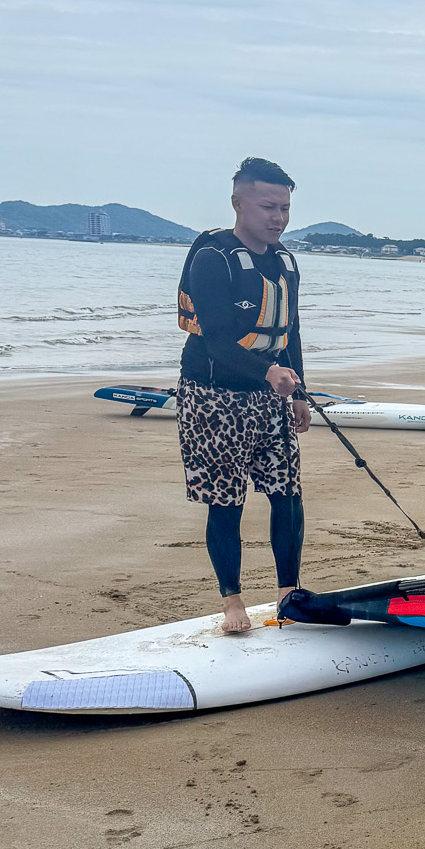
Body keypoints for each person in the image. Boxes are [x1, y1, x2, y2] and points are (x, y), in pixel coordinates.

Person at [175, 157, 310, 636]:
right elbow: (215, 340)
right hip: (214, 397)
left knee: (287, 494)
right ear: (238, 203)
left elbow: (290, 331)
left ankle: (289, 592)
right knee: (226, 500)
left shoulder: (285, 262)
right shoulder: (213, 259)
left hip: (271, 397)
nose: (278, 218)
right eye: (268, 206)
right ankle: (232, 600)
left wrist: (300, 391)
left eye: (285, 208)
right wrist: (268, 371)